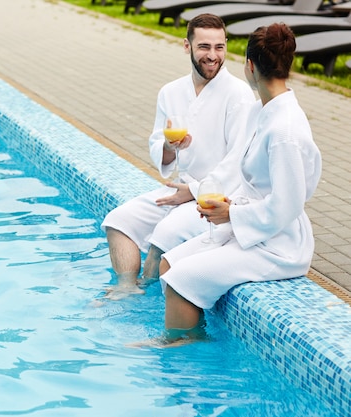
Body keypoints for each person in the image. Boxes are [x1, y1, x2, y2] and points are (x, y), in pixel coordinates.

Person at [152, 22, 322, 344]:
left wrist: (233, 215)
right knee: (168, 262)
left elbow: (287, 205)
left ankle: (180, 352)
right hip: (253, 225)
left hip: (280, 244)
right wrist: (218, 201)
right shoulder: (263, 111)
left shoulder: (285, 129)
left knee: (179, 281)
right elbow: (241, 172)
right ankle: (193, 336)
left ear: (250, 66)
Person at [101, 13, 255, 299]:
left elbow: (238, 162)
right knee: (118, 220)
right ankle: (125, 288)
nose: (212, 56)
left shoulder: (239, 95)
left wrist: (195, 192)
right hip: (180, 188)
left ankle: (145, 297)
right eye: (204, 47)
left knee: (165, 233)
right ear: (187, 46)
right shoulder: (170, 92)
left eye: (219, 47)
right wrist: (171, 148)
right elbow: (158, 146)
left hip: (216, 198)